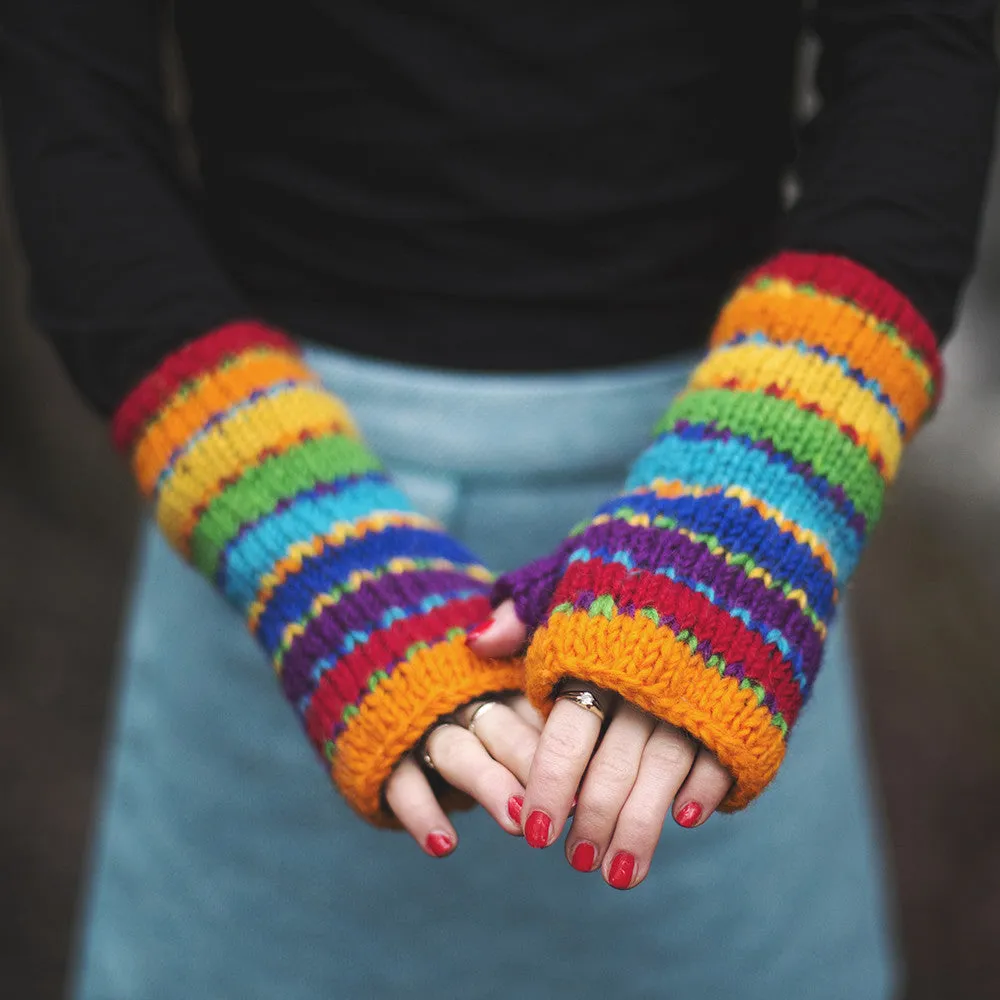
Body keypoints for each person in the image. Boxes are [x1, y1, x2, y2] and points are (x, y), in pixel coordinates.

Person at [1, 1, 996, 997]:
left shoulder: (742, 517)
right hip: (265, 533)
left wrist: (768, 468)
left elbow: (922, 37)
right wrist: (287, 513)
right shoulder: (280, 528)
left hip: (723, 566)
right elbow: (69, 98)